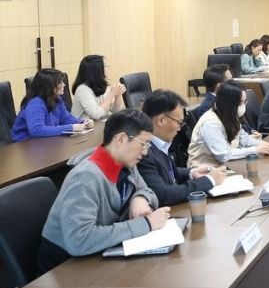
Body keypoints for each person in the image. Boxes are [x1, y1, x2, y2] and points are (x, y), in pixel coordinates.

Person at [36, 110, 170, 273]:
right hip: (65, 268)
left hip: (97, 255)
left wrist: (140, 198)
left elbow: (147, 190)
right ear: (121, 139)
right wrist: (146, 224)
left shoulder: (125, 163)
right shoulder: (85, 178)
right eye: (143, 144)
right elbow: (79, 240)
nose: (145, 152)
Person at [138, 90, 226, 206]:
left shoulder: (160, 143)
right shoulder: (142, 151)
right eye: (179, 122)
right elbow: (164, 195)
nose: (179, 128)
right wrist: (209, 180)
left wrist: (192, 172)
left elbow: (165, 171)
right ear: (161, 120)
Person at [190, 81, 269, 166]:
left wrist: (262, 144)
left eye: (244, 102)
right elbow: (223, 155)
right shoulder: (210, 123)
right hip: (206, 169)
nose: (243, 106)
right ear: (228, 103)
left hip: (226, 165)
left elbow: (243, 139)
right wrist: (255, 150)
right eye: (240, 103)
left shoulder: (230, 114)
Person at [12, 69, 92, 142]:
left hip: (44, 142)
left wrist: (82, 122)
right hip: (25, 145)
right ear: (49, 86)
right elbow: (37, 130)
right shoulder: (35, 104)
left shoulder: (56, 99)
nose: (64, 85)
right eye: (60, 82)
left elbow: (65, 118)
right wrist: (70, 127)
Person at [69, 55, 126, 121]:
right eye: (105, 66)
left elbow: (117, 111)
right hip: (84, 126)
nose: (107, 68)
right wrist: (112, 94)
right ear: (96, 70)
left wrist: (118, 95)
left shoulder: (102, 84)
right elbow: (96, 114)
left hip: (99, 123)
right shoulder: (82, 89)